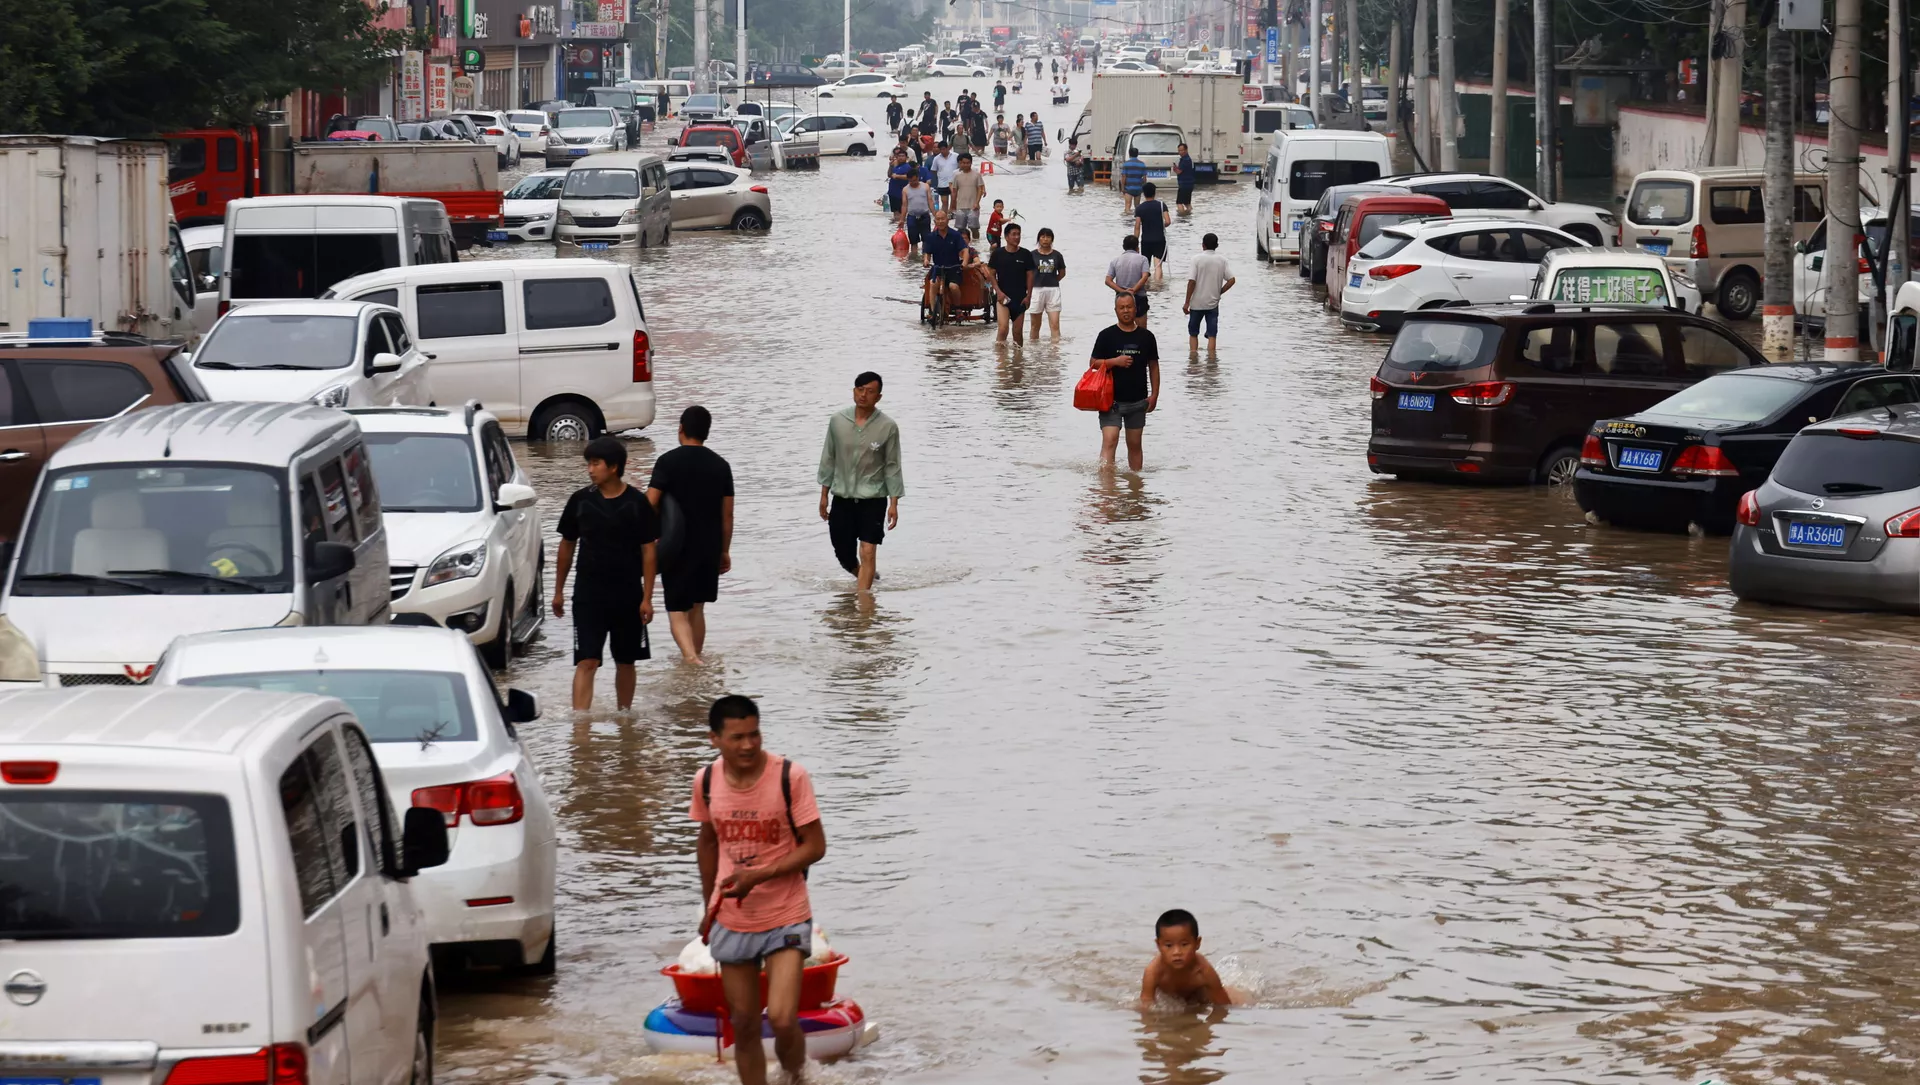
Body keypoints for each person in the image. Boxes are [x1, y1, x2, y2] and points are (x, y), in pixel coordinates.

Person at [692, 695, 827, 1085]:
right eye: (737, 737)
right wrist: (708, 905)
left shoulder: (791, 777)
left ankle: (795, 1076)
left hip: (786, 912)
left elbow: (815, 847)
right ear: (714, 739)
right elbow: (708, 842)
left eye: (754, 734)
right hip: (732, 919)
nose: (748, 745)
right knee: (745, 1023)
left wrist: (760, 875)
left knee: (783, 1017)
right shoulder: (705, 781)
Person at [553, 436, 657, 710]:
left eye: (595, 463)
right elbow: (566, 546)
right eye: (589, 463)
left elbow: (649, 552)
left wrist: (647, 597)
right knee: (587, 660)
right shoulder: (580, 501)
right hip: (588, 594)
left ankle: (625, 720)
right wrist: (558, 591)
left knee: (626, 661)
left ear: (613, 467)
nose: (590, 469)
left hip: (628, 595)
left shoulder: (637, 503)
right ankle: (580, 728)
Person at [645, 406, 733, 666]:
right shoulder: (721, 466)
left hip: (675, 546)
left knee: (676, 608)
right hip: (709, 545)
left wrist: (646, 537)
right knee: (697, 606)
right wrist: (725, 550)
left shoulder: (667, 461)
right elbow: (727, 515)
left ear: (680, 428)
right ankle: (697, 657)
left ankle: (690, 657)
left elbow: (651, 502)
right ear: (707, 432)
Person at [817, 372, 904, 592]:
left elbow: (893, 466)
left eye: (870, 391)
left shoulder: (888, 426)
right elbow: (829, 458)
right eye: (860, 389)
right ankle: (867, 579)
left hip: (873, 498)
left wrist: (894, 503)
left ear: (879, 397)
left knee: (867, 550)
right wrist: (823, 495)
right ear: (854, 391)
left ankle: (864, 607)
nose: (864, 395)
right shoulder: (837, 421)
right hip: (842, 498)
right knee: (844, 554)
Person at [1090, 294, 1160, 472]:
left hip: (1138, 401)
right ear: (1116, 310)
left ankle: (1135, 487)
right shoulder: (1106, 335)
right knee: (1110, 439)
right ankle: (1107, 486)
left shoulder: (1147, 337)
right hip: (1110, 401)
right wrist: (1115, 362)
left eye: (1129, 307)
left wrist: (1155, 395)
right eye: (1122, 307)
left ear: (1136, 309)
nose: (1126, 311)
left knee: (1135, 444)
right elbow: (1093, 363)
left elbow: (1153, 366)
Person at [1139, 909, 1231, 1007]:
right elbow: (1146, 1007)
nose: (1177, 952)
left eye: (1184, 944)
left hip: (1199, 997)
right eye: (1169, 945)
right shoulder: (1153, 972)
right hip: (1167, 998)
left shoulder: (1204, 970)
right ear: (1158, 945)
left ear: (1197, 943)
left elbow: (1224, 1005)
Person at [1183, 232, 1235, 355]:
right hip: (1213, 303)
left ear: (1203, 245)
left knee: (1193, 333)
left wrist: (1186, 302)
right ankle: (1211, 363)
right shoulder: (1222, 260)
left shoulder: (1196, 259)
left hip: (1196, 303)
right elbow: (1232, 280)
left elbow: (1191, 282)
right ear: (1216, 245)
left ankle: (1193, 359)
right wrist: (1220, 292)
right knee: (1212, 334)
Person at [988, 222, 1036, 345]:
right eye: (1013, 234)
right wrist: (998, 292)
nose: (1016, 237)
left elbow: (1030, 276)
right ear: (1006, 237)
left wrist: (1028, 296)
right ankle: (1000, 360)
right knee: (1003, 329)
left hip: (1020, 298)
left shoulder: (1025, 254)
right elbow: (991, 274)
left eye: (1018, 234)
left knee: (1017, 332)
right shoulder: (998, 254)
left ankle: (1018, 360)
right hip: (1003, 297)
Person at [921, 208, 973, 313]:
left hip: (953, 268)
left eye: (942, 219)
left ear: (947, 220)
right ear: (935, 221)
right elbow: (927, 252)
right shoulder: (931, 237)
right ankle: (933, 311)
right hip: (938, 268)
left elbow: (965, 250)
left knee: (953, 287)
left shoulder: (955, 235)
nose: (940, 221)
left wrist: (964, 263)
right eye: (938, 219)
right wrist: (926, 260)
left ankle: (958, 308)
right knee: (932, 283)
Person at [1028, 227, 1066, 339]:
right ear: (1039, 239)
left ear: (1052, 239)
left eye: (1048, 237)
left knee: (1055, 325)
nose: (1045, 239)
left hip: (1053, 290)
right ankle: (1035, 352)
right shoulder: (1032, 255)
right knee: (1035, 325)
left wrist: (1053, 280)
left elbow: (1062, 273)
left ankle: (1055, 352)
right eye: (1043, 237)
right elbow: (1027, 273)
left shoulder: (1057, 255)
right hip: (1036, 290)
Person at [1105, 234, 1151, 325]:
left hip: (1121, 298)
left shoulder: (1115, 261)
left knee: (1123, 328)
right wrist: (1133, 290)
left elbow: (1108, 281)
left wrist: (1123, 291)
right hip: (1139, 297)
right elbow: (1145, 276)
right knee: (1141, 331)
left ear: (1123, 247)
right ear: (1137, 247)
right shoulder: (1143, 259)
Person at [1134, 181, 1171, 283]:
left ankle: (1146, 286)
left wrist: (1135, 241)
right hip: (1159, 239)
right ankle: (1158, 285)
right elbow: (1168, 221)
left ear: (1143, 193)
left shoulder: (1139, 208)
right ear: (1155, 192)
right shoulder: (1161, 205)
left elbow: (1137, 226)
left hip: (1145, 240)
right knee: (1158, 264)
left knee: (1145, 267)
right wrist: (1160, 226)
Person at [896, 166, 933, 248]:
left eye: (915, 180)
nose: (913, 182)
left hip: (925, 216)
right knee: (913, 242)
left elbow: (930, 201)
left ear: (918, 177)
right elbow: (904, 205)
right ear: (908, 180)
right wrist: (902, 219)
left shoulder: (926, 187)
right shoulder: (905, 189)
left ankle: (924, 258)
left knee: (926, 240)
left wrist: (935, 215)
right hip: (912, 217)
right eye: (911, 181)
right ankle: (914, 258)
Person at [949, 153, 986, 237]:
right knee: (960, 229)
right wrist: (952, 206)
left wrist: (977, 202)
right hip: (960, 207)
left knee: (974, 228)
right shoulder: (957, 176)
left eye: (968, 163)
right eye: (963, 163)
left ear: (971, 163)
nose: (965, 165)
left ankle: (976, 244)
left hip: (973, 207)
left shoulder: (977, 175)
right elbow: (954, 192)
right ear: (960, 163)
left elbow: (980, 189)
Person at [929, 140, 959, 211]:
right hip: (942, 183)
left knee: (954, 201)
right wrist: (940, 176)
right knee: (944, 202)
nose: (942, 151)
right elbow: (933, 170)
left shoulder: (956, 156)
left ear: (948, 148)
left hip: (954, 183)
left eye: (944, 149)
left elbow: (960, 168)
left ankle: (952, 214)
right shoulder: (936, 159)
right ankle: (944, 216)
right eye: (941, 149)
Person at [1119, 147, 1148, 213]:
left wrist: (1122, 188)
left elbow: (1124, 177)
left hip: (1128, 188)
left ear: (1129, 154)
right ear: (1137, 154)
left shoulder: (1126, 164)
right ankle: (1137, 220)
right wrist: (1143, 188)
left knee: (1127, 206)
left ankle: (1127, 221)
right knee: (1137, 207)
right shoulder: (1142, 164)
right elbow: (1144, 178)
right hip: (1138, 188)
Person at [1174, 142, 1196, 214]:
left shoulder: (1185, 160)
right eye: (1179, 150)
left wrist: (1175, 169)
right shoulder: (1188, 159)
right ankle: (1189, 214)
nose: (1180, 152)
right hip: (1190, 184)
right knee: (1187, 203)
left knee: (1179, 202)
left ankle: (1182, 217)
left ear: (1186, 150)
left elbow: (1179, 172)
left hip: (1184, 184)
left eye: (1181, 150)